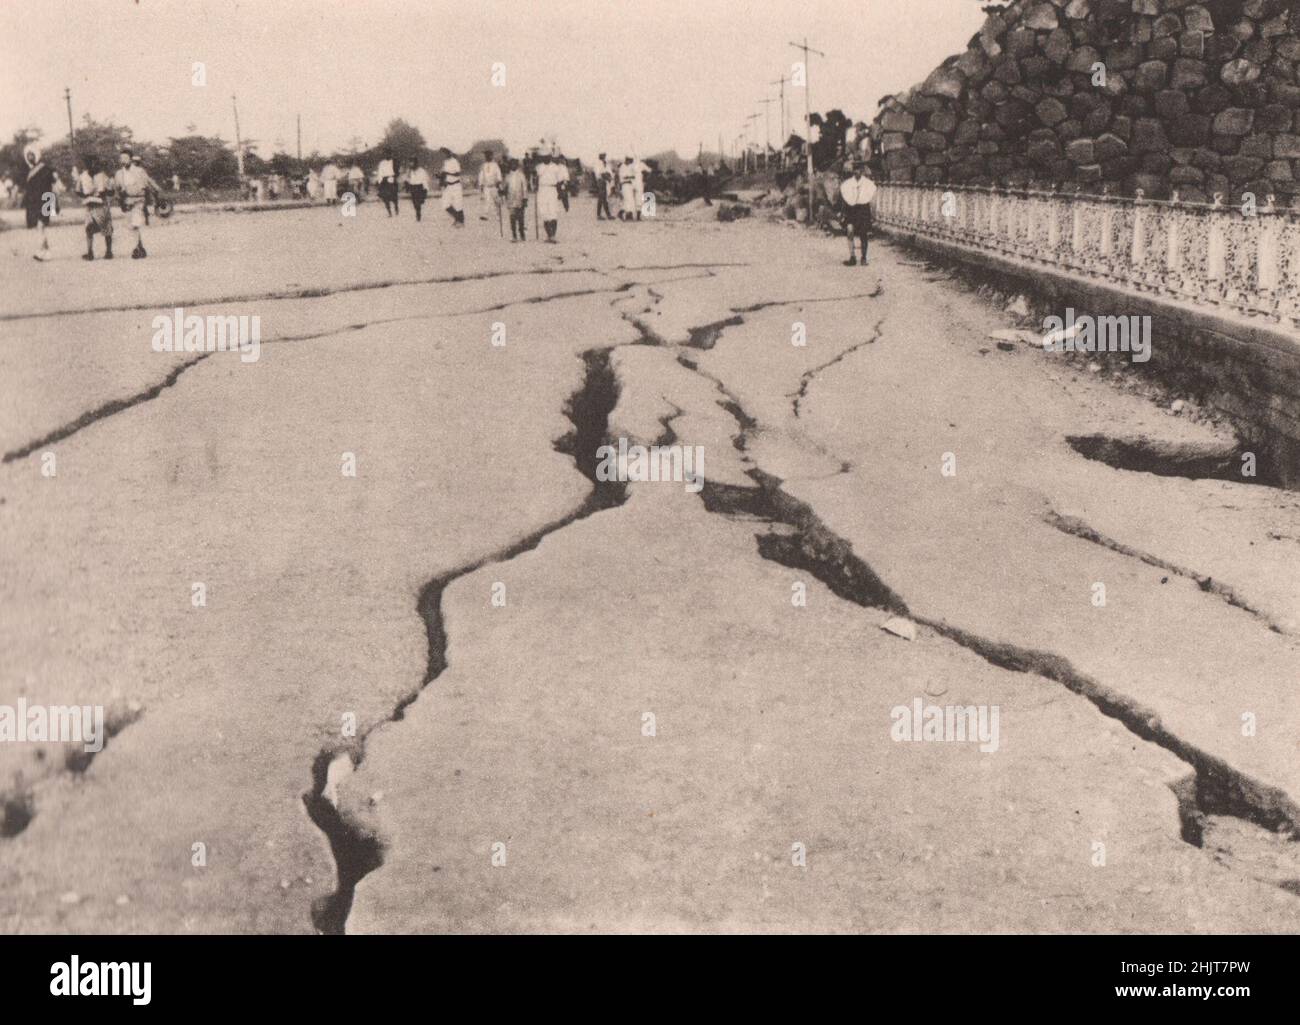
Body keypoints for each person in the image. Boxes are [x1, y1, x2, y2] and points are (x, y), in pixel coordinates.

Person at [21, 145, 59, 261]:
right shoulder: (29, 171)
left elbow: (54, 181)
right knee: (40, 228)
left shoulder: (45, 168)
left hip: (46, 199)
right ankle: (46, 252)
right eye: (28, 156)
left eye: (32, 155)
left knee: (41, 226)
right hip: (35, 202)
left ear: (36, 156)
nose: (30, 157)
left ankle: (40, 251)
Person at [113, 147, 152, 258]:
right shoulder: (119, 174)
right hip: (127, 201)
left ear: (130, 159)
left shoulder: (139, 171)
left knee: (135, 223)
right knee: (132, 225)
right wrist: (120, 202)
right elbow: (117, 189)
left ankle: (136, 249)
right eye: (121, 158)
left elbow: (146, 186)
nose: (123, 160)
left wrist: (147, 203)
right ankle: (141, 247)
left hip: (139, 200)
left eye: (125, 158)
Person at [839, 162, 876, 266]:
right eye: (855, 169)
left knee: (863, 233)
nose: (857, 172)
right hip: (851, 210)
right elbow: (845, 200)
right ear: (853, 171)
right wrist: (842, 213)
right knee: (850, 230)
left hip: (863, 210)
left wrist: (873, 213)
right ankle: (852, 257)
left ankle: (864, 258)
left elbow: (871, 200)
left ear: (862, 171)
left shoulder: (868, 184)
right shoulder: (848, 184)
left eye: (859, 169)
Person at [77, 155, 113, 260]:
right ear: (87, 165)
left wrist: (104, 192)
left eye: (94, 163)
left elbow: (111, 191)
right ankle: (90, 252)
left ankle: (109, 251)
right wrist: (85, 195)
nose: (92, 165)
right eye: (89, 163)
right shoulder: (83, 176)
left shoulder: (102, 176)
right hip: (90, 206)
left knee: (107, 229)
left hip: (102, 206)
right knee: (88, 228)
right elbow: (77, 190)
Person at [535, 152, 563, 242]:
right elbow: (536, 179)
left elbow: (560, 181)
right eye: (543, 156)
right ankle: (549, 235)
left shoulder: (556, 167)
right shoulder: (539, 167)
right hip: (542, 190)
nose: (545, 158)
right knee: (544, 213)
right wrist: (536, 186)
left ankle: (553, 235)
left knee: (553, 212)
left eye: (547, 156)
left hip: (552, 189)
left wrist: (560, 193)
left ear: (550, 157)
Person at [504, 158, 528, 242]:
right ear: (510, 165)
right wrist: (501, 191)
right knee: (512, 217)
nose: (513, 166)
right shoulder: (508, 176)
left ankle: (522, 233)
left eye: (514, 164)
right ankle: (514, 235)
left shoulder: (521, 175)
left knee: (521, 218)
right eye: (511, 164)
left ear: (517, 165)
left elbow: (524, 187)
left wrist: (525, 198)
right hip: (511, 199)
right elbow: (505, 187)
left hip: (520, 199)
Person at [439, 148, 464, 226]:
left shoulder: (454, 161)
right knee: (445, 204)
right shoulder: (445, 162)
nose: (444, 155)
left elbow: (458, 173)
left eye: (445, 153)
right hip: (448, 185)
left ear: (449, 153)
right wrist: (439, 175)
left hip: (456, 184)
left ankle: (460, 221)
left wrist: (448, 173)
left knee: (458, 204)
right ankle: (457, 218)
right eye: (443, 154)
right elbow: (443, 173)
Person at [477, 150, 502, 222]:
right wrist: (481, 185)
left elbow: (498, 174)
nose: (487, 157)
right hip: (486, 187)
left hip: (494, 186)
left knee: (496, 201)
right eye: (486, 156)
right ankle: (485, 215)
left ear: (491, 156)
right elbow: (481, 175)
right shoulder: (483, 165)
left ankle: (498, 216)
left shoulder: (495, 165)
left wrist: (499, 182)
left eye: (489, 155)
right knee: (487, 200)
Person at [376, 151, 399, 216]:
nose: (387, 155)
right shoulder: (382, 163)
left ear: (391, 154)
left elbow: (397, 171)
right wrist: (380, 182)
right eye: (385, 153)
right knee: (385, 197)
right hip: (384, 181)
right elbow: (380, 173)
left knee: (394, 196)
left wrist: (394, 177)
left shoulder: (394, 161)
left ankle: (396, 207)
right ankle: (389, 212)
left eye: (389, 153)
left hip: (392, 179)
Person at [594, 153, 614, 221]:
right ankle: (605, 215)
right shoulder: (598, 163)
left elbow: (608, 172)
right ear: (600, 155)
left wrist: (609, 176)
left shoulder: (605, 163)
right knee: (603, 198)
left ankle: (602, 215)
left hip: (605, 182)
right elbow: (601, 173)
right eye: (603, 155)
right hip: (601, 181)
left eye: (604, 155)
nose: (604, 156)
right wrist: (608, 177)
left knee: (602, 198)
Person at [618, 156, 637, 221]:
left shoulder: (629, 167)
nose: (630, 163)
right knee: (628, 200)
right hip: (625, 184)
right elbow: (624, 177)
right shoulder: (622, 167)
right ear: (627, 160)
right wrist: (630, 177)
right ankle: (623, 213)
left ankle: (628, 215)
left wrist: (631, 177)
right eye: (630, 161)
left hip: (629, 185)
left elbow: (633, 176)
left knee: (630, 200)